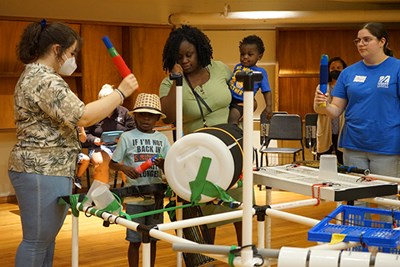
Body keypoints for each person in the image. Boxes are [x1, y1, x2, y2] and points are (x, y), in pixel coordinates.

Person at [8, 20, 138, 267]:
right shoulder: (42, 79)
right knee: (37, 241)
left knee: (45, 241)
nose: (73, 58)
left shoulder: (43, 77)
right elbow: (84, 115)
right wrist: (120, 93)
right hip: (40, 168)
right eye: (72, 52)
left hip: (50, 169)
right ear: (57, 49)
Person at [159, 25, 243, 246]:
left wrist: (235, 119)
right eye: (179, 57)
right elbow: (167, 115)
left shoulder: (220, 70)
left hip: (231, 147)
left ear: (200, 50)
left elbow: (239, 98)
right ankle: (209, 257)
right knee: (208, 213)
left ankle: (245, 251)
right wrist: (176, 80)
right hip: (199, 157)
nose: (185, 61)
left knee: (240, 207)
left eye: (189, 54)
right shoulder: (170, 82)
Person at [314, 22, 400, 179]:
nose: (361, 44)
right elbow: (335, 111)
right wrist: (323, 105)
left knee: (388, 200)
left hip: (387, 147)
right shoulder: (348, 73)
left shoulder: (397, 68)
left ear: (382, 42)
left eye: (366, 40)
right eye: (358, 40)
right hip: (353, 145)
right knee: (356, 198)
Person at [109, 93, 170, 267]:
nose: (146, 119)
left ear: (158, 118)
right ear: (135, 115)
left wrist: (163, 164)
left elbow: (170, 168)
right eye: (142, 114)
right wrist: (125, 168)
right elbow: (113, 164)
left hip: (156, 197)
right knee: (134, 240)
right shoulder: (127, 137)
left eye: (151, 116)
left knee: (153, 238)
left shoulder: (162, 139)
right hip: (134, 197)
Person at [85, 84, 136, 196]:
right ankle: (103, 197)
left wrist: (123, 138)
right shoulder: (94, 112)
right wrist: (95, 140)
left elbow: (133, 131)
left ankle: (130, 195)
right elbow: (85, 135)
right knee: (101, 163)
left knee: (128, 161)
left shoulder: (124, 112)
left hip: (119, 146)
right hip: (99, 146)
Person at [228, 35, 273, 125]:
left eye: (250, 54)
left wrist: (268, 106)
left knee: (233, 117)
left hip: (242, 102)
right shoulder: (238, 66)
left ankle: (233, 136)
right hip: (229, 99)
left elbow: (266, 90)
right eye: (242, 54)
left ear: (259, 56)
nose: (245, 57)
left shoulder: (260, 72)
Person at [314, 57, 347, 165]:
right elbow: (317, 108)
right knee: (325, 163)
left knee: (343, 161)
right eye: (332, 68)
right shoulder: (322, 87)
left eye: (338, 68)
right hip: (326, 129)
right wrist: (326, 106)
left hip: (342, 129)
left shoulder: (347, 87)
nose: (335, 70)